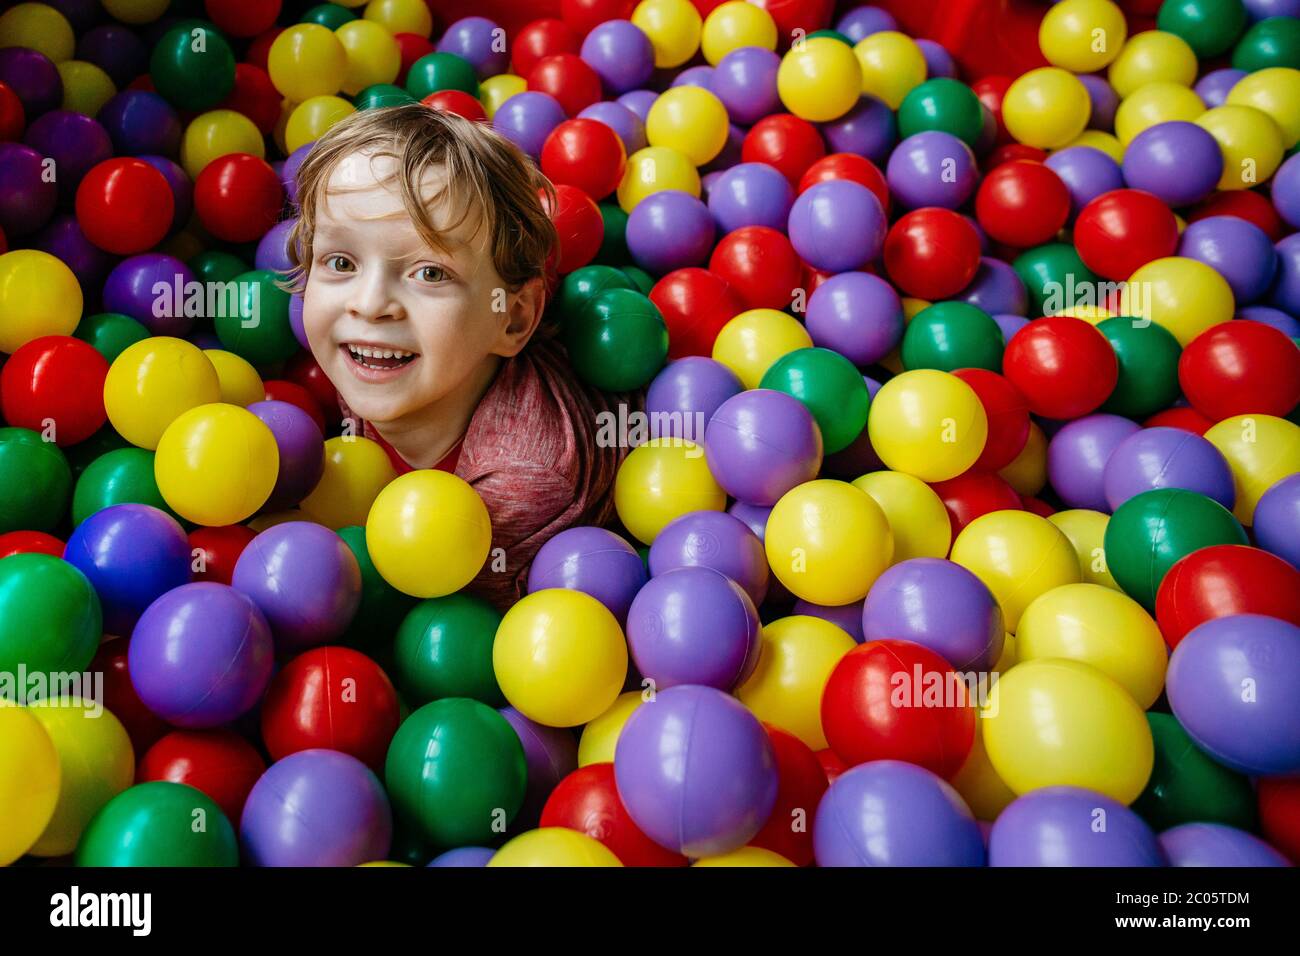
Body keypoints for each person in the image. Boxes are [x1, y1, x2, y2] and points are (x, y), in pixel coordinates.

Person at [287, 104, 632, 610]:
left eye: (429, 273)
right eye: (341, 263)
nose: (370, 304)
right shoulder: (374, 355)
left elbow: (454, 618)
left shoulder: (518, 481)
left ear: (511, 320)